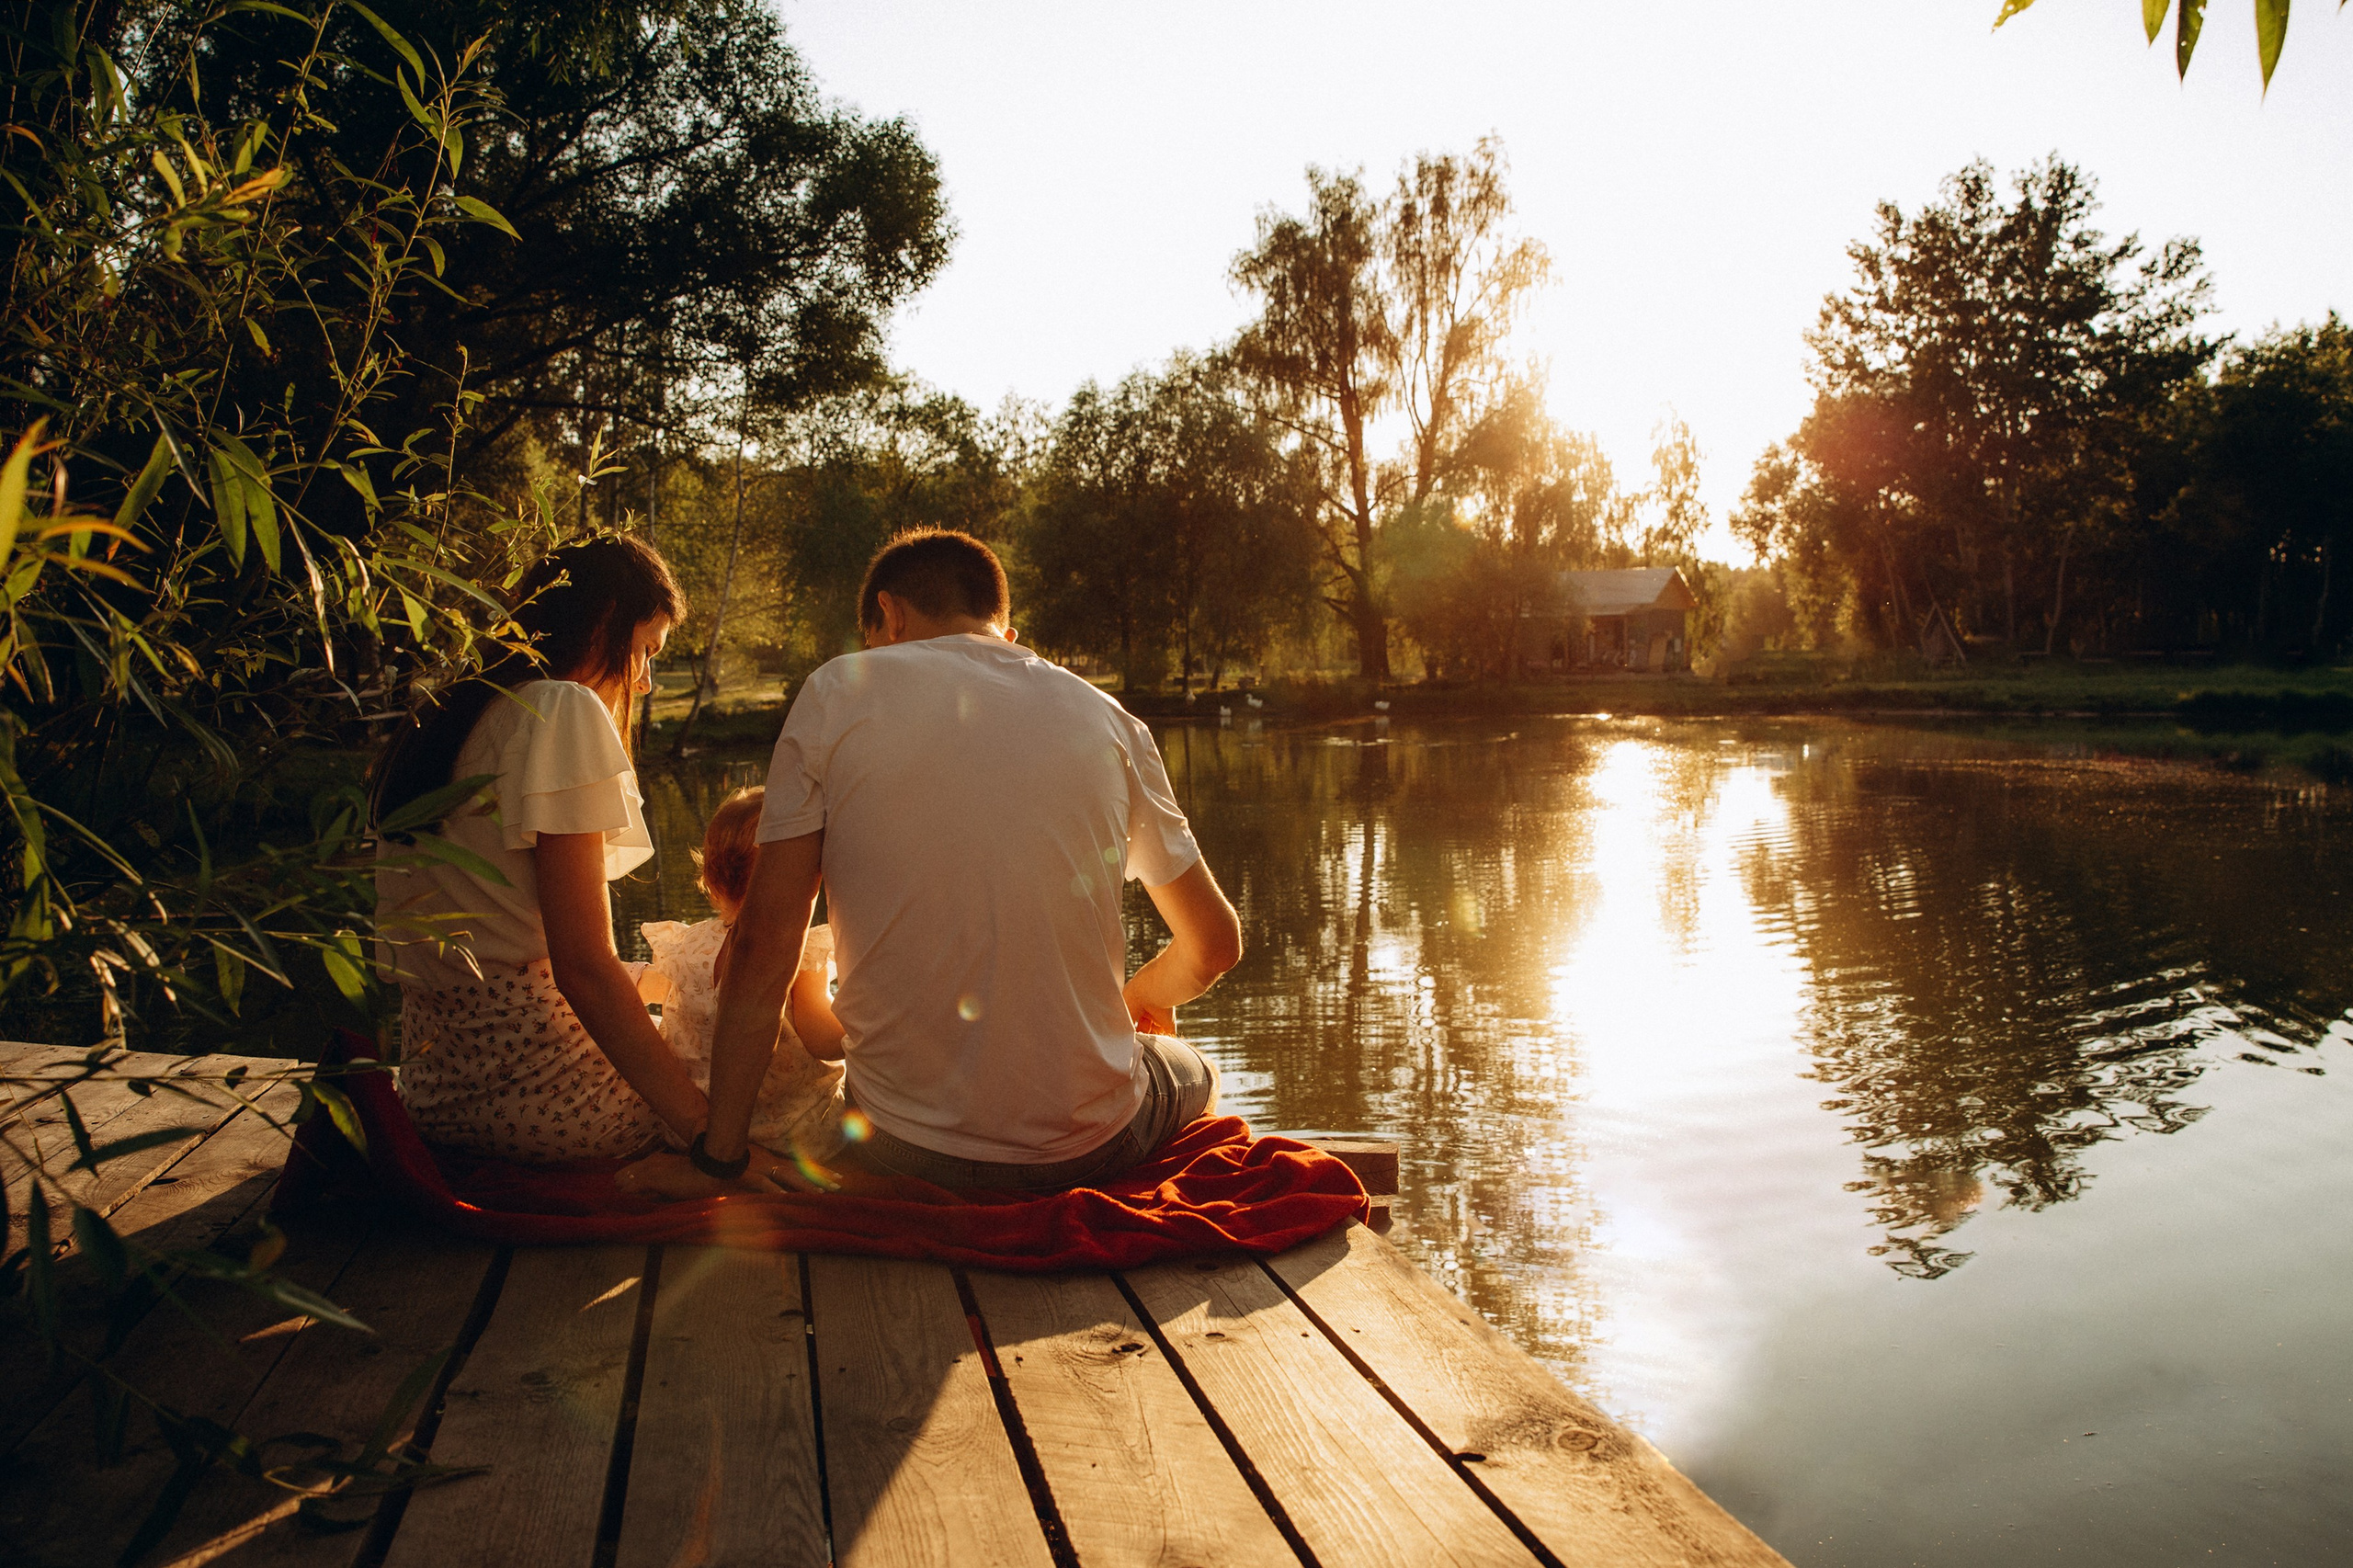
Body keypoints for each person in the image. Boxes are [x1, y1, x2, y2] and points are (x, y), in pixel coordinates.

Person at [633, 527, 1244, 1197]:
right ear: (1003, 632)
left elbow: (766, 941)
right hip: (1089, 1150)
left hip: (900, 1150)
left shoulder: (837, 691)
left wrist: (720, 1160)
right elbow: (1214, 947)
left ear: (889, 615)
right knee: (1192, 1067)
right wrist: (1134, 1001)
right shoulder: (1110, 719)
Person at [370, 534, 705, 1163]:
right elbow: (582, 968)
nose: (646, 680)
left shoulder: (450, 713)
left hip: (437, 1090)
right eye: (644, 651)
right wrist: (707, 1135)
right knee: (769, 1075)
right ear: (605, 618)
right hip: (547, 1097)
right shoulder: (560, 709)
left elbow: (509, 950)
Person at [635, 786, 846, 1166]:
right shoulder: (798, 957)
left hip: (693, 1128)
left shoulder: (686, 945)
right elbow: (824, 1041)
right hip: (787, 1134)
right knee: (858, 1089)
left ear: (712, 879)